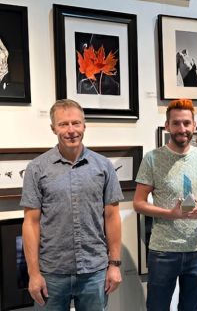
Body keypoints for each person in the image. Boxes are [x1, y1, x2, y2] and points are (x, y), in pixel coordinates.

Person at [21, 99, 123, 310]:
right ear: (53, 128)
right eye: (63, 124)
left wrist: (114, 265)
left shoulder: (103, 166)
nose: (71, 130)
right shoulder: (36, 168)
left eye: (76, 123)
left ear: (84, 126)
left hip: (94, 271)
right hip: (52, 272)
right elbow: (31, 223)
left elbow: (112, 217)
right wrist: (33, 273)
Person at [133, 98, 197, 311]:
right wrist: (171, 213)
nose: (182, 128)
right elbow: (138, 203)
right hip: (163, 251)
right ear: (167, 126)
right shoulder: (152, 159)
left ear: (194, 126)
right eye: (176, 123)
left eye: (186, 123)